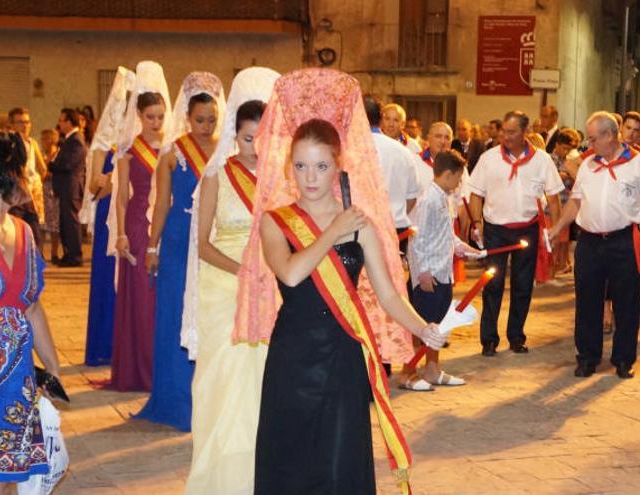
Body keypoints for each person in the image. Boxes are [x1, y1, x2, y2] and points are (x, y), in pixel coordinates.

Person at [237, 69, 445, 494]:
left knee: (338, 459)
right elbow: (292, 272)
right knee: (291, 457)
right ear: (289, 168)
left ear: (338, 166)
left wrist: (421, 328)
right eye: (300, 166)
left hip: (343, 355)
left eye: (320, 166)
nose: (309, 177)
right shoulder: (277, 223)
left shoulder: (361, 225)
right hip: (293, 354)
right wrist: (333, 232)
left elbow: (387, 293)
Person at [182, 67, 278, 495]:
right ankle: (224, 476)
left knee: (265, 383)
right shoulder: (217, 177)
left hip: (272, 283)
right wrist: (244, 273)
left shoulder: (281, 181)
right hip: (226, 285)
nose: (253, 148)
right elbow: (201, 245)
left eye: (261, 139)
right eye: (246, 139)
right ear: (233, 136)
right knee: (225, 382)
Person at [138, 72, 224, 431]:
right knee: (175, 314)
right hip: (176, 239)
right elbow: (160, 205)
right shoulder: (172, 153)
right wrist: (153, 245)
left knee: (209, 315)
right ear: (187, 118)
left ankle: (210, 398)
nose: (206, 127)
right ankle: (175, 397)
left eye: (212, 120)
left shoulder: (227, 149)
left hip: (213, 239)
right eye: (200, 120)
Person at [549, 111, 640, 378]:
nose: (589, 144)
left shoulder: (639, 164)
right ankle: (587, 357)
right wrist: (557, 227)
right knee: (587, 301)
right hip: (589, 242)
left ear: (609, 135)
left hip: (623, 240)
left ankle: (623, 359)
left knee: (626, 302)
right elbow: (575, 201)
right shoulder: (588, 165)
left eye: (592, 138)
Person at [469, 110, 564, 356]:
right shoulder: (489, 158)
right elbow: (476, 193)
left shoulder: (542, 160)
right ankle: (489, 339)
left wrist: (555, 228)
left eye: (512, 132)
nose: (505, 136)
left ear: (525, 133)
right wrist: (476, 222)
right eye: (504, 131)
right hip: (495, 230)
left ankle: (516, 336)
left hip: (528, 229)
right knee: (493, 283)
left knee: (523, 285)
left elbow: (553, 198)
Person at [0, 131, 62, 491]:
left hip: (18, 380)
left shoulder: (23, 232)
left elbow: (33, 306)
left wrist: (51, 367)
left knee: (9, 477)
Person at [109, 61, 172, 391]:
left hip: (166, 224)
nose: (157, 123)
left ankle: (162, 367)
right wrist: (120, 234)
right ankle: (140, 370)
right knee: (141, 300)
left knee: (162, 300)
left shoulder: (173, 146)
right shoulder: (128, 149)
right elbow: (120, 196)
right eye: (151, 117)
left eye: (161, 117)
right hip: (135, 226)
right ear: (139, 116)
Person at [404, 151, 482, 390]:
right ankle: (408, 372)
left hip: (443, 270)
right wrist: (423, 273)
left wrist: (463, 248)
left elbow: (445, 234)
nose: (460, 183)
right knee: (422, 325)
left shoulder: (445, 198)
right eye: (458, 178)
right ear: (447, 174)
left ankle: (432, 369)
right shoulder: (428, 200)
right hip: (430, 275)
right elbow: (416, 238)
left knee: (437, 322)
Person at [83, 67, 133, 366]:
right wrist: (110, 179)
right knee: (106, 280)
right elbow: (94, 186)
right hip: (107, 216)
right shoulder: (105, 143)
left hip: (131, 213)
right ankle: (103, 345)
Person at [363, 95, 420, 254]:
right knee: (392, 278)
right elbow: (411, 198)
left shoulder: (348, 150)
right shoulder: (403, 152)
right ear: (381, 120)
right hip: (395, 226)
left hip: (362, 228)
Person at [47, 108, 87, 266]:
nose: (60, 123)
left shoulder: (76, 140)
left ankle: (75, 256)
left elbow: (68, 164)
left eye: (62, 120)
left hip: (71, 186)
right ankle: (68, 253)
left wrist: (52, 165)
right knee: (65, 221)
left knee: (70, 221)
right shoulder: (69, 140)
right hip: (66, 186)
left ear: (70, 122)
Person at [8, 108, 46, 228]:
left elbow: (43, 169)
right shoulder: (8, 143)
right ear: (12, 124)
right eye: (20, 122)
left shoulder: (32, 143)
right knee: (16, 231)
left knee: (35, 231)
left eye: (27, 122)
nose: (25, 125)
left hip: (33, 193)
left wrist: (36, 182)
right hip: (15, 194)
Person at [550, 129, 581, 273]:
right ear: (557, 145)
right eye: (564, 148)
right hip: (551, 206)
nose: (565, 152)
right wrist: (560, 176)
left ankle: (561, 263)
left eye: (569, 149)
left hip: (567, 204)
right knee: (553, 238)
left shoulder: (569, 161)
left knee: (564, 239)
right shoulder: (550, 159)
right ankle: (552, 265)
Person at [39, 129, 61, 262]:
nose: (43, 143)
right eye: (42, 139)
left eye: (45, 139)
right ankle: (40, 252)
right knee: (41, 224)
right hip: (42, 192)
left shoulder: (58, 155)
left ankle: (54, 253)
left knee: (54, 225)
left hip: (54, 192)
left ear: (52, 140)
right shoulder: (41, 155)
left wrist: (47, 174)